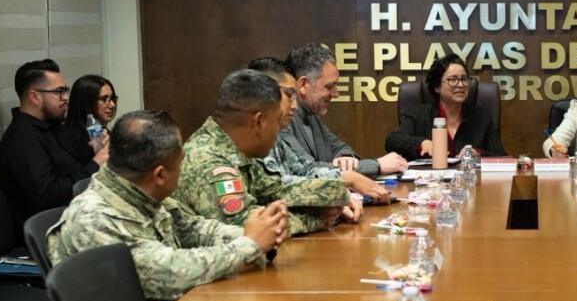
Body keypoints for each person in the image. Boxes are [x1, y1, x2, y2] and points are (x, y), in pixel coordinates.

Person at [47, 110, 288, 301]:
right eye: (180, 165)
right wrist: (248, 245)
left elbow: (191, 228)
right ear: (160, 175)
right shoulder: (95, 218)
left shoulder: (138, 190)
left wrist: (258, 231)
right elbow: (170, 272)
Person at [171, 69, 354, 235]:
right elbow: (246, 225)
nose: (279, 131)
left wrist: (338, 195)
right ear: (258, 122)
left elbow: (277, 190)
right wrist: (318, 220)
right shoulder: (208, 160)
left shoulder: (237, 150)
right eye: (276, 121)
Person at [250, 57, 390, 203]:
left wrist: (345, 176)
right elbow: (275, 190)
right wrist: (345, 180)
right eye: (289, 95)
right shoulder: (253, 141)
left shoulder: (282, 132)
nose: (294, 105)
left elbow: (305, 169)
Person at [0, 59, 106, 232]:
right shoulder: (23, 139)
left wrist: (96, 150)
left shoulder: (52, 126)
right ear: (34, 97)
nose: (66, 98)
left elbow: (72, 167)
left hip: (76, 217)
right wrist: (96, 163)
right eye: (59, 92)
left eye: (66, 91)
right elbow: (47, 197)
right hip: (51, 232)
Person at [279, 43, 408, 177]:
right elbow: (307, 170)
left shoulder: (311, 114)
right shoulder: (282, 119)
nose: (336, 94)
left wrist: (346, 159)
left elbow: (341, 148)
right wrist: (376, 165)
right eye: (329, 87)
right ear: (303, 85)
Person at [385, 54, 507, 159]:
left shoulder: (483, 118)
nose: (461, 85)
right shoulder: (417, 115)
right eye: (453, 80)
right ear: (437, 87)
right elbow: (392, 140)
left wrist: (478, 154)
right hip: (429, 178)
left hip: (469, 178)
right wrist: (421, 144)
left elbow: (500, 156)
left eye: (464, 79)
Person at [55, 74, 118, 166]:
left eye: (112, 98)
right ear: (86, 102)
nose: (112, 105)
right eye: (104, 99)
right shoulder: (69, 138)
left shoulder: (104, 132)